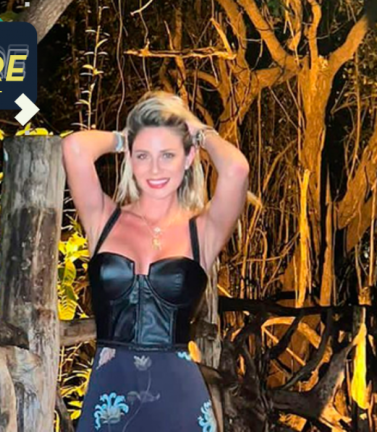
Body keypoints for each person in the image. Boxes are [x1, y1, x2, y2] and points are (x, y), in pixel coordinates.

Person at [62, 90, 249, 431]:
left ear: (188, 157)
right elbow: (74, 148)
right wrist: (124, 138)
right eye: (143, 155)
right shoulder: (103, 219)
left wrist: (199, 133)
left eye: (168, 155)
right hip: (109, 400)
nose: (155, 169)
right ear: (130, 158)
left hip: (180, 402)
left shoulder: (202, 231)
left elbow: (236, 169)